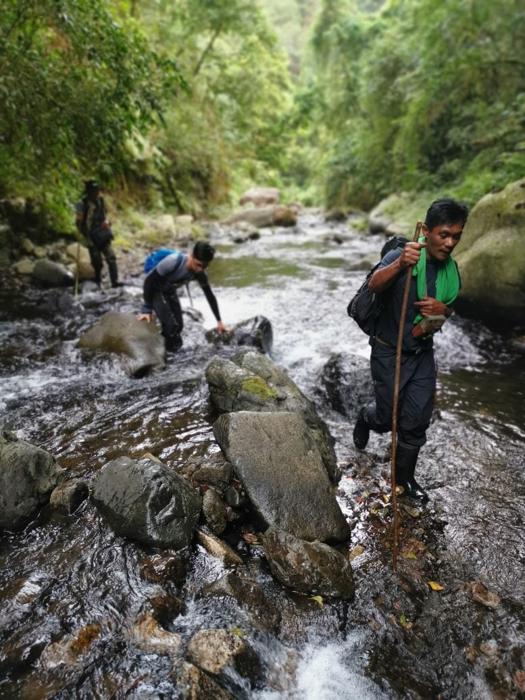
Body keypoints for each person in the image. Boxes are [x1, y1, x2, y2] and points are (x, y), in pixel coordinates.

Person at [352, 198, 469, 502]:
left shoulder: (450, 271)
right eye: (444, 234)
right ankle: (366, 417)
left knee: (416, 420)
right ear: (427, 231)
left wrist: (444, 309)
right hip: (389, 352)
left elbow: (449, 311)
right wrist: (400, 263)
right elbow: (373, 286)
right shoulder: (403, 254)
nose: (450, 242)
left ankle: (404, 481)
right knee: (387, 415)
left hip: (422, 354)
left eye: (456, 236)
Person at [137, 241, 226, 352]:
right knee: (170, 327)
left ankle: (172, 353)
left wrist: (219, 321)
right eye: (198, 264)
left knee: (179, 326)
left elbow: (210, 296)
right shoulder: (173, 262)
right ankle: (161, 354)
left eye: (205, 266)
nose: (200, 269)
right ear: (191, 256)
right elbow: (149, 282)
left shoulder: (200, 273)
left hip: (169, 291)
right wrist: (146, 309)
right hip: (155, 290)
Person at [75, 180, 121, 288]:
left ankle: (115, 282)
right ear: (88, 192)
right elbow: (78, 222)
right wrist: (83, 232)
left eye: (97, 190)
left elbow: (106, 216)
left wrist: (108, 222)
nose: (96, 193)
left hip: (103, 234)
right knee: (97, 262)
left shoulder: (101, 200)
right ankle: (98, 282)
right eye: (94, 191)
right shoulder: (82, 204)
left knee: (111, 257)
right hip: (91, 236)